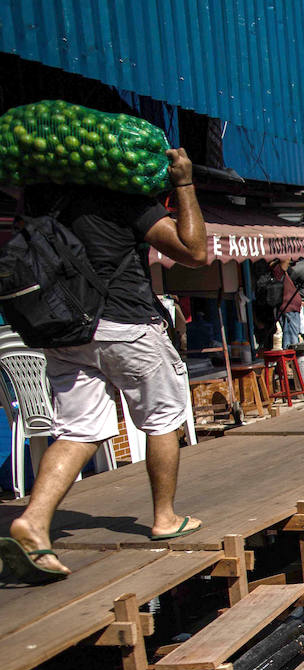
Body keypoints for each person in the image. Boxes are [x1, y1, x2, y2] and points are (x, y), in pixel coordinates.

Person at [4, 148, 209, 581]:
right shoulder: (125, 199)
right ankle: (165, 518)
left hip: (66, 332)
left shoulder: (43, 201)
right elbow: (194, 252)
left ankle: (34, 521)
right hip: (127, 325)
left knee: (78, 430)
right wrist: (185, 184)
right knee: (162, 419)